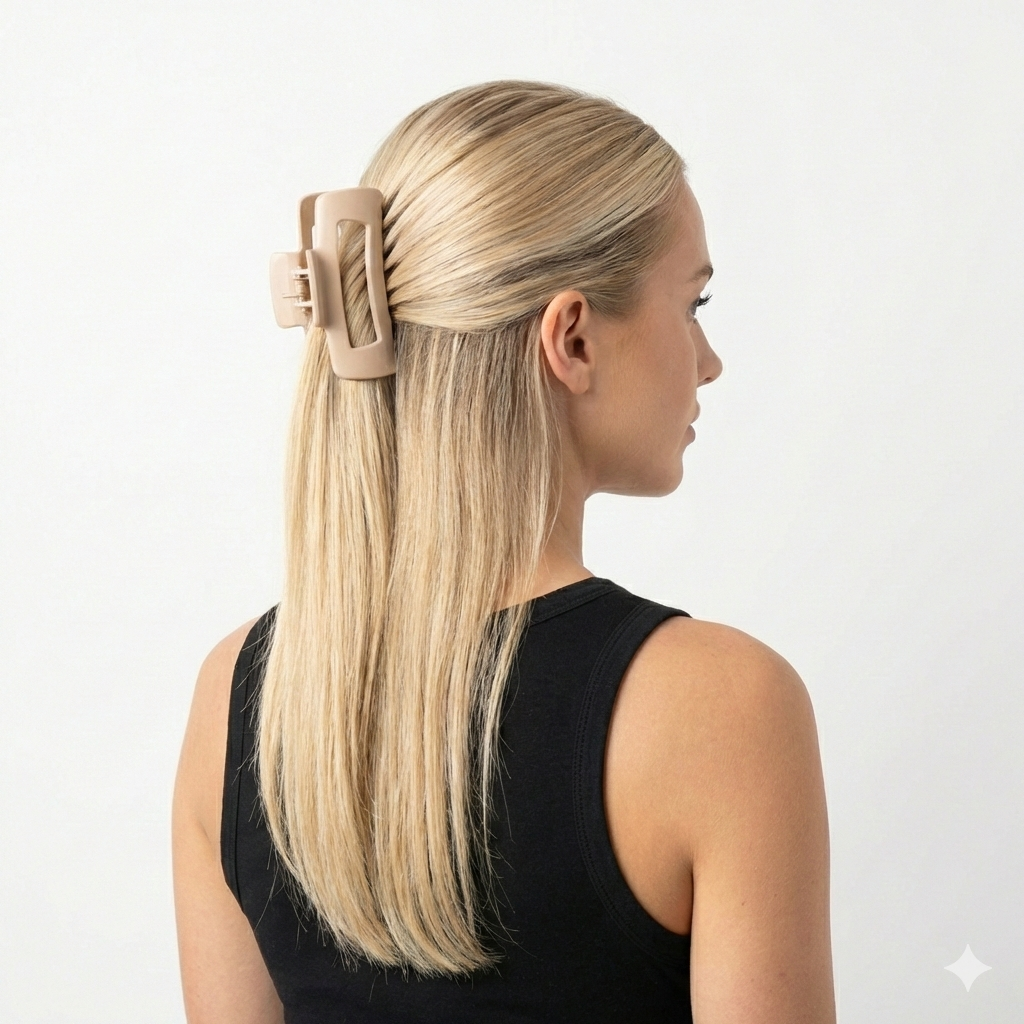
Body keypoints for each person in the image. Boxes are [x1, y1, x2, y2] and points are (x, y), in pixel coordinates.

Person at [172, 80, 836, 1023]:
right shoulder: (720, 705)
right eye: (694, 303)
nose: (709, 360)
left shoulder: (241, 695)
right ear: (573, 339)